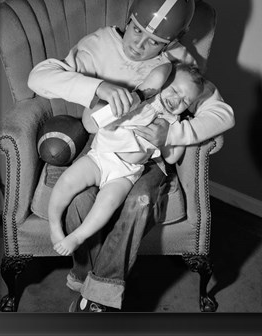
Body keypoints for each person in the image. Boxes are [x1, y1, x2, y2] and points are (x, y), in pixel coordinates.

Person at [28, 0, 235, 312]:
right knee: (79, 200)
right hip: (107, 142)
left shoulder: (180, 61)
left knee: (139, 201)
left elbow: (222, 113)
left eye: (155, 42)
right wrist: (98, 87)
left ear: (174, 41)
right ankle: (86, 277)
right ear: (130, 17)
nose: (140, 46)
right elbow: (38, 77)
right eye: (137, 31)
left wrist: (172, 137)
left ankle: (99, 299)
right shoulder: (97, 46)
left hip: (151, 159)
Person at [49, 62, 204, 257]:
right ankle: (55, 225)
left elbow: (172, 157)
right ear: (162, 84)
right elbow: (158, 74)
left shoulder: (174, 124)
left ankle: (78, 236)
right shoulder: (139, 99)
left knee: (109, 202)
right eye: (174, 90)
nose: (176, 100)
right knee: (68, 180)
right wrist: (156, 81)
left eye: (185, 101)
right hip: (101, 156)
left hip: (126, 173)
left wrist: (172, 136)